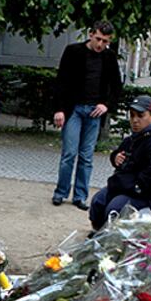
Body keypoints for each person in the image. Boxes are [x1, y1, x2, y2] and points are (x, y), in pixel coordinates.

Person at [52, 21, 122, 210]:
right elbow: (62, 81)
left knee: (87, 156)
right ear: (90, 34)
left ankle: (80, 196)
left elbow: (116, 86)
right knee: (69, 153)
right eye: (98, 39)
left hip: (94, 111)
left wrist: (106, 105)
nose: (100, 44)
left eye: (105, 41)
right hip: (73, 108)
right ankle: (61, 192)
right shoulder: (73, 51)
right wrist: (59, 109)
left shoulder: (109, 57)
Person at [89, 95, 151, 231]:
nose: (135, 120)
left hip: (146, 196)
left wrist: (126, 186)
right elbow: (118, 153)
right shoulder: (134, 138)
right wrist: (115, 157)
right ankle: (100, 235)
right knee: (98, 201)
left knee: (115, 209)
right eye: (132, 116)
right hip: (127, 188)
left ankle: (111, 239)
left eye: (140, 116)